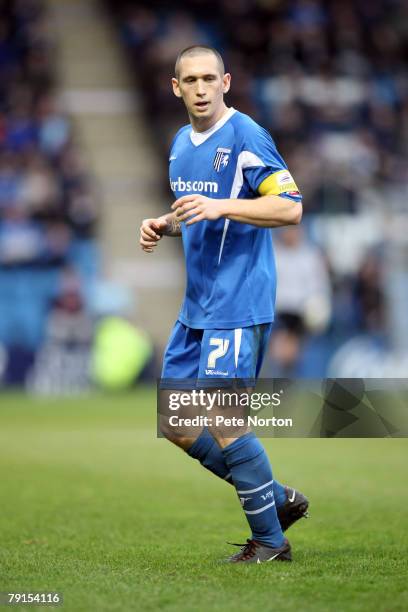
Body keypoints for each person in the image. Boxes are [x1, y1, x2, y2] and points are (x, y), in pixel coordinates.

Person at [139, 45, 308, 564]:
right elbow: (196, 206)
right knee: (177, 422)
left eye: (210, 78)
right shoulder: (178, 144)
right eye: (190, 80)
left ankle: (271, 543)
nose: (201, 88)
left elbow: (290, 207)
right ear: (176, 87)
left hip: (238, 300)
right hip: (197, 306)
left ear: (226, 82)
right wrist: (165, 223)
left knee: (225, 416)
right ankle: (274, 498)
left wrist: (220, 205)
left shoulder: (246, 135)